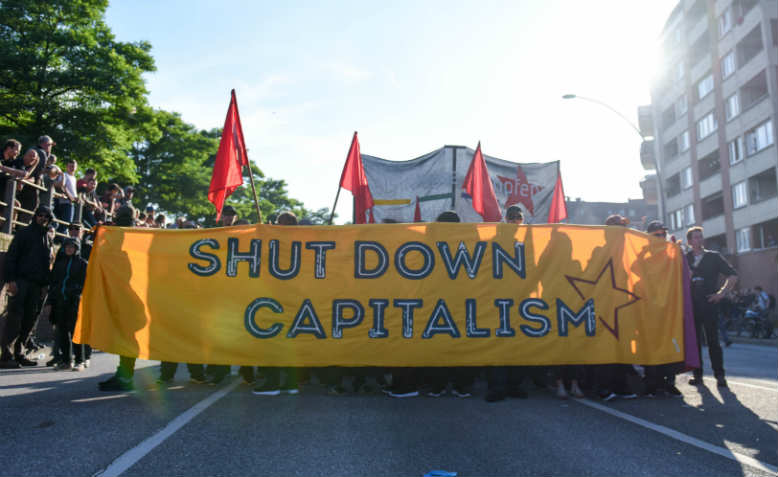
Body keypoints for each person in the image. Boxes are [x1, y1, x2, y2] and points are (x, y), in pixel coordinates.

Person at [252, 211, 301, 396]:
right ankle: (290, 384)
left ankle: (272, 383)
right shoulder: (304, 242)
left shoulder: (276, 243)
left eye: (279, 223)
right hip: (297, 300)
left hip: (276, 299)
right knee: (289, 343)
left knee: (271, 341)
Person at [0, 206, 54, 368]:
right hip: (21, 281)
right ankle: (6, 356)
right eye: (40, 215)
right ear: (35, 216)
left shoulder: (48, 238)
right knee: (14, 318)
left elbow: (47, 264)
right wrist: (11, 280)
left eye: (46, 216)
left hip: (37, 285)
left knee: (30, 320)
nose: (42, 218)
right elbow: (11, 257)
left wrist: (45, 285)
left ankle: (20, 353)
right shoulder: (23, 234)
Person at [686, 226, 737, 388]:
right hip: (691, 306)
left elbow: (733, 275)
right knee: (694, 343)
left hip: (709, 304)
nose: (699, 240)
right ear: (689, 241)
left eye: (700, 237)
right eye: (695, 237)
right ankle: (698, 376)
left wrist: (721, 293)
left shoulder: (713, 257)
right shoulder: (684, 258)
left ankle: (720, 376)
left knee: (713, 342)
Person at [98, 205, 140, 391]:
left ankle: (125, 377)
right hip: (128, 294)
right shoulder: (133, 235)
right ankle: (123, 374)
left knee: (126, 337)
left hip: (126, 295)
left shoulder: (121, 235)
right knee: (125, 337)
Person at [641, 221, 683, 397]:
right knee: (651, 345)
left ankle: (669, 382)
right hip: (649, 308)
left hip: (670, 308)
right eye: (656, 235)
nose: (660, 238)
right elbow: (634, 272)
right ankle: (652, 383)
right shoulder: (643, 256)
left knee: (671, 344)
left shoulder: (671, 254)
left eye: (662, 235)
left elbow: (683, 273)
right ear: (649, 237)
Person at [49, 238, 89, 370]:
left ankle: (80, 360)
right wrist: (54, 294)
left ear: (76, 249)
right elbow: (54, 280)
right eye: (67, 247)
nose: (69, 249)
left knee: (75, 331)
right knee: (62, 331)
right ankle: (66, 360)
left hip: (74, 301)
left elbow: (85, 283)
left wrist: (74, 290)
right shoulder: (59, 263)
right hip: (60, 300)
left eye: (72, 247)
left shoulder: (82, 263)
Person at [54, 159, 79, 235]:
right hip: (64, 202)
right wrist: (70, 196)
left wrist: (76, 197)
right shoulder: (64, 175)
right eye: (70, 166)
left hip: (71, 202)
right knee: (66, 223)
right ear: (67, 167)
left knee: (67, 223)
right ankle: (61, 240)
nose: (72, 168)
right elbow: (62, 187)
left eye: (73, 166)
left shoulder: (74, 178)